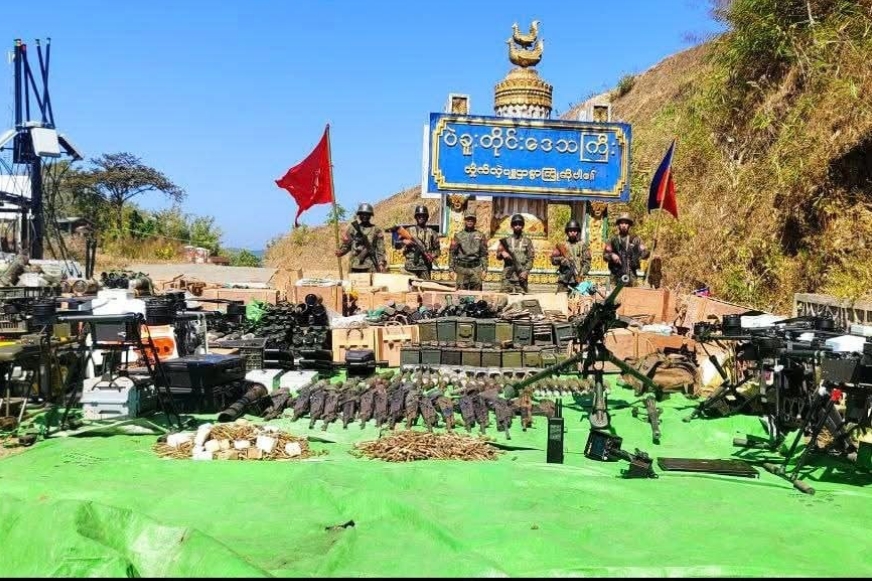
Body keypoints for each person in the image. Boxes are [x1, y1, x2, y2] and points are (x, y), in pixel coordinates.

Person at [336, 203, 387, 273]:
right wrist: (341, 251)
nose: (365, 216)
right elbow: (347, 245)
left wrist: (381, 263)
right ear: (359, 215)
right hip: (354, 264)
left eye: (367, 214)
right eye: (362, 214)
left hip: (371, 265)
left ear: (370, 215)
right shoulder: (353, 228)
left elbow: (380, 248)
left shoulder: (376, 230)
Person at [603, 212, 649, 287]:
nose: (624, 225)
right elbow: (605, 256)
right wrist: (612, 255)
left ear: (629, 225)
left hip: (631, 275)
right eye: (622, 223)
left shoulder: (635, 239)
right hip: (615, 275)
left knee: (631, 294)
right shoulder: (613, 240)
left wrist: (644, 252)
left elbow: (645, 254)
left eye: (626, 223)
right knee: (615, 294)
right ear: (618, 225)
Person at [395, 205, 441, 280]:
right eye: (419, 216)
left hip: (425, 267)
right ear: (416, 217)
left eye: (423, 216)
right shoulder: (408, 231)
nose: (421, 218)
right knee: (408, 286)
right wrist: (404, 242)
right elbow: (397, 245)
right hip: (410, 267)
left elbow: (438, 250)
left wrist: (432, 255)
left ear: (427, 217)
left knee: (426, 286)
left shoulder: (432, 233)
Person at [449, 210, 488, 290]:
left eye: (472, 219)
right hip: (461, 269)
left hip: (476, 269)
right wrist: (451, 269)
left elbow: (483, 254)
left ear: (475, 221)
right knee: (461, 294)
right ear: (465, 220)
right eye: (468, 219)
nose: (470, 221)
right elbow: (452, 253)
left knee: (476, 293)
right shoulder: (458, 236)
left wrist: (485, 269)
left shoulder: (480, 235)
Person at [550, 219, 591, 293]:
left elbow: (587, 263)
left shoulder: (582, 245)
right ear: (567, 232)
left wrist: (581, 273)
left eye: (575, 230)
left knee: (577, 299)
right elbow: (553, 260)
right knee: (561, 298)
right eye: (570, 230)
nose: (572, 232)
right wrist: (561, 260)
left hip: (577, 281)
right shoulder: (562, 245)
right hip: (564, 281)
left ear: (578, 232)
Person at [497, 214, 534, 294]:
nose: (517, 226)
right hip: (508, 274)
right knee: (504, 297)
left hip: (521, 274)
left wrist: (526, 272)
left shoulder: (527, 241)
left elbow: (530, 258)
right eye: (515, 224)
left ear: (523, 226)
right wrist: (502, 253)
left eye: (520, 224)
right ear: (512, 226)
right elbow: (498, 256)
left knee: (522, 298)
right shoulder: (506, 241)